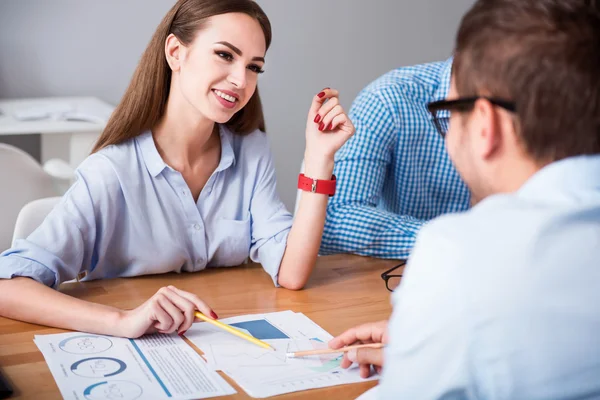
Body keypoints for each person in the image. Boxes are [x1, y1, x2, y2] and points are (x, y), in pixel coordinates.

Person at [0, 0, 354, 339]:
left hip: (219, 342)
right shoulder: (111, 172)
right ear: (175, 52)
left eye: (253, 67)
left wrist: (319, 159)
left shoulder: (251, 151)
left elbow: (291, 273)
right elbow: (7, 288)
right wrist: (122, 320)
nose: (240, 80)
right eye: (225, 55)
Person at [330, 0, 600, 398]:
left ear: (485, 124)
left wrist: (428, 346)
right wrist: (438, 337)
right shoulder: (391, 96)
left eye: (450, 111)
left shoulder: (457, 254)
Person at [319, 56, 471, 259]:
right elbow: (336, 219)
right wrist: (454, 242)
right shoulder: (387, 98)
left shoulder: (523, 107)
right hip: (396, 277)